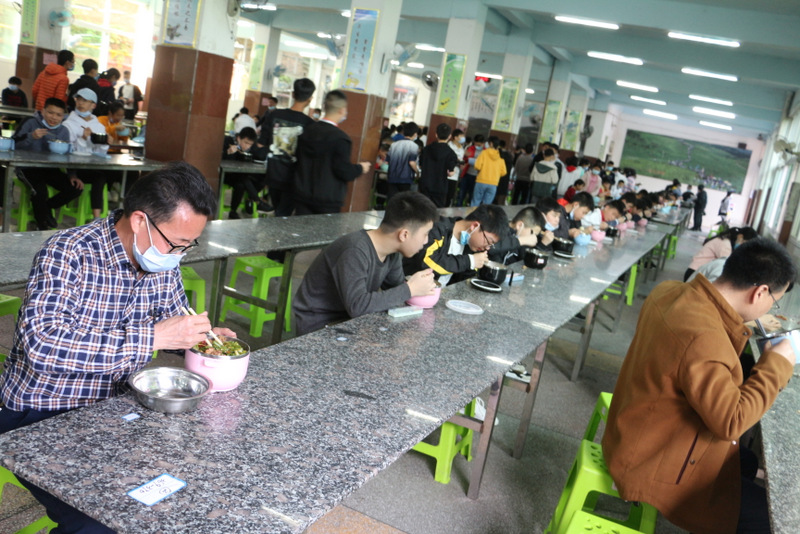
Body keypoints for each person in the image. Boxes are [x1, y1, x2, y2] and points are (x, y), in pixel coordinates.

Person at [0, 161, 231, 533]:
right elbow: (41, 345)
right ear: (140, 221)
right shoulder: (68, 251)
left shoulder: (163, 260)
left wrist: (204, 339)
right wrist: (153, 337)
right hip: (41, 413)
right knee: (103, 522)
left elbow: (174, 320)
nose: (179, 255)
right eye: (177, 244)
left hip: (113, 410)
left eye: (189, 246)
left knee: (187, 492)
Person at [602, 238, 797, 534]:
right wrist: (777, 364)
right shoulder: (704, 336)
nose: (771, 307)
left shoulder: (670, 291)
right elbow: (731, 422)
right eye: (775, 301)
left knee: (744, 462)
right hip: (649, 462)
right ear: (760, 292)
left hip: (632, 432)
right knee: (776, 519)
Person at [293, 191, 439, 335]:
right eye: (425, 234)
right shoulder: (354, 250)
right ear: (404, 234)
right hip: (319, 323)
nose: (426, 241)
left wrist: (417, 287)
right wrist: (410, 289)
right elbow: (358, 306)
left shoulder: (392, 253)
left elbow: (397, 290)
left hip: (350, 318)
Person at [292, 90, 370, 215]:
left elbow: (297, 159)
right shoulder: (340, 138)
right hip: (327, 200)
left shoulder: (307, 131)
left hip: (302, 194)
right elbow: (343, 171)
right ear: (342, 110)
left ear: (324, 107)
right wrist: (361, 168)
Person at [12, 98, 83, 230]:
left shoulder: (63, 131)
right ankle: (42, 226)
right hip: (27, 167)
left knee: (75, 188)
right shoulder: (30, 122)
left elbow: (67, 155)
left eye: (59, 115)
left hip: (50, 169)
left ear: (63, 116)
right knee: (40, 191)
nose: (54, 117)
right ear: (43, 111)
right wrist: (31, 136)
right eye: (50, 113)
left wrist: (72, 175)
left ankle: (47, 207)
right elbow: (13, 143)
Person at [403, 203, 508, 286]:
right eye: (488, 241)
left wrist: (477, 266)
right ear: (474, 226)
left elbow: (463, 279)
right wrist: (470, 261)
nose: (487, 247)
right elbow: (426, 261)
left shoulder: (470, 245)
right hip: (409, 289)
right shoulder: (437, 229)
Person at [256, 77, 315, 216]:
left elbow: (260, 144)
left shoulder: (274, 115)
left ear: (293, 94)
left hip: (273, 174)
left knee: (279, 211)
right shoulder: (310, 124)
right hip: (294, 179)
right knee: (283, 215)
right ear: (310, 99)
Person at [62, 88, 111, 219]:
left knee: (110, 175)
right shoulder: (68, 124)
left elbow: (100, 152)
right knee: (99, 177)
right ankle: (97, 217)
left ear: (93, 105)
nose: (80, 103)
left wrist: (105, 142)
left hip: (92, 165)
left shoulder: (99, 126)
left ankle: (100, 215)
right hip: (73, 167)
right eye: (78, 99)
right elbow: (68, 150)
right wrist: (83, 138)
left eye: (85, 101)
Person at [222, 127, 272, 218]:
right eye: (246, 143)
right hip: (227, 175)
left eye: (250, 144)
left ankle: (234, 211)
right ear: (238, 138)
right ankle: (257, 202)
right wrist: (228, 152)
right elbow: (220, 157)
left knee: (245, 182)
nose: (247, 146)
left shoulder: (250, 149)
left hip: (240, 176)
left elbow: (256, 157)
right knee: (243, 178)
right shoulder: (228, 141)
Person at [684, 226, 758, 282]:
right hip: (695, 274)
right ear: (740, 236)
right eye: (744, 243)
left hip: (699, 273)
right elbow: (729, 266)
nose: (742, 247)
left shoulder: (726, 241)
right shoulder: (725, 244)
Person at [419, 123, 458, 207]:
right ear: (449, 136)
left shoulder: (426, 149)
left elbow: (421, 165)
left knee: (422, 208)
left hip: (425, 185)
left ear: (436, 134)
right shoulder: (451, 153)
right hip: (440, 187)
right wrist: (453, 171)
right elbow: (450, 173)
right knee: (437, 211)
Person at [386, 122, 420, 201]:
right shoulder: (414, 146)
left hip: (392, 177)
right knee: (402, 201)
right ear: (415, 134)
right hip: (405, 178)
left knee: (392, 200)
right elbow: (412, 162)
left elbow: (387, 161)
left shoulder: (394, 145)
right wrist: (417, 172)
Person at [471, 136, 506, 206]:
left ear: (491, 143)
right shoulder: (500, 155)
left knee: (475, 202)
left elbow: (477, 166)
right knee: (486, 205)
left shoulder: (484, 153)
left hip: (481, 181)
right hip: (493, 183)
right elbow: (504, 172)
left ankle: (473, 213)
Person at [457, 135, 484, 206]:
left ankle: (469, 209)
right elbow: (465, 159)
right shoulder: (470, 148)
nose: (477, 146)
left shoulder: (485, 151)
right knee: (461, 194)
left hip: (477, 176)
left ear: (482, 143)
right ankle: (458, 208)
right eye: (475, 144)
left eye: (479, 145)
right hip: (467, 174)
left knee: (472, 195)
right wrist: (466, 156)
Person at [446, 129, 466, 206]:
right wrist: (456, 160)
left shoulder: (462, 149)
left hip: (455, 175)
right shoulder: (449, 145)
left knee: (450, 195)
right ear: (455, 137)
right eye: (461, 136)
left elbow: (461, 160)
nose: (463, 138)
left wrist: (461, 164)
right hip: (446, 174)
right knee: (443, 194)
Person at [493, 140, 514, 205]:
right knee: (501, 197)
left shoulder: (496, 154)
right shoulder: (509, 156)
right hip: (505, 178)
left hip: (495, 178)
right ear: (505, 146)